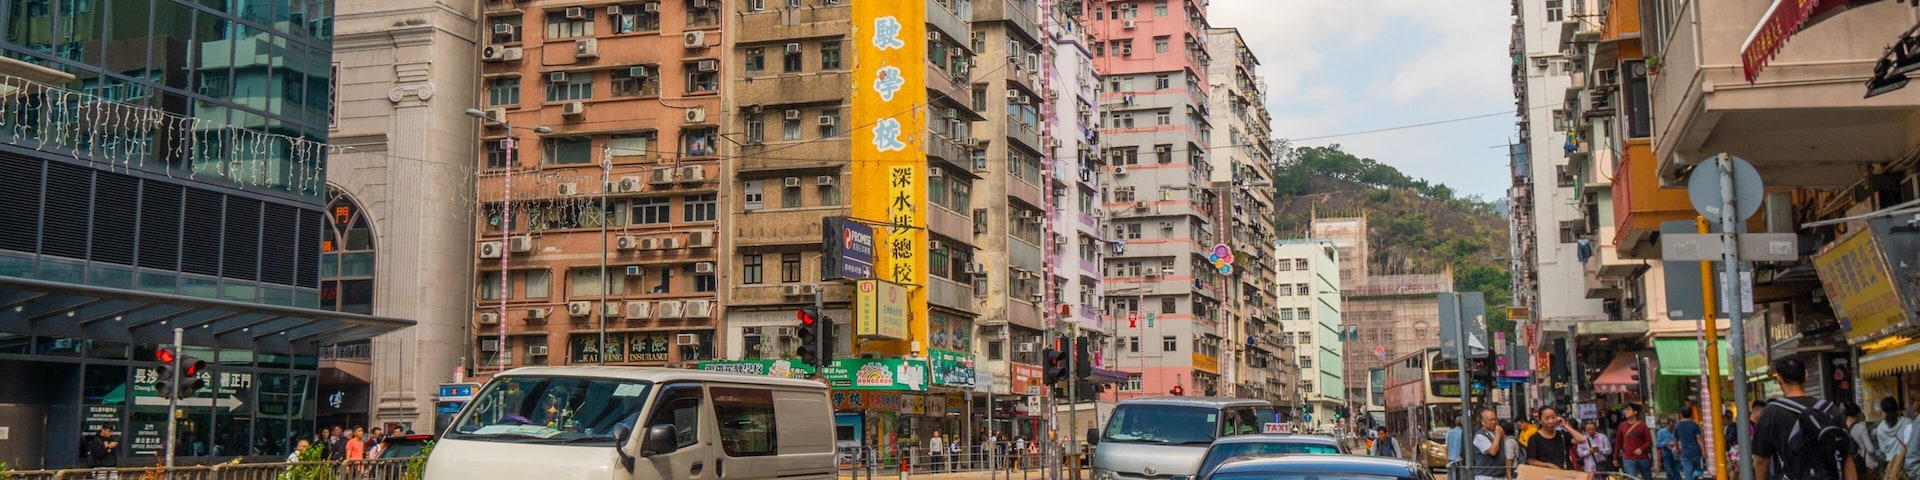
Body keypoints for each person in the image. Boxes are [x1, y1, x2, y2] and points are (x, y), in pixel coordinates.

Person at [1753, 357, 1857, 480]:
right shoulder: (1829, 409)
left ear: (1779, 380)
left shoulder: (1772, 412)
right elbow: (1847, 458)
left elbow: (1761, 460)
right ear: (1806, 376)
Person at [1525, 406, 1587, 471]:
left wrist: (1565, 425)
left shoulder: (1562, 435)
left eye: (1553, 417)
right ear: (1540, 421)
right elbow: (1532, 461)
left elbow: (1581, 439)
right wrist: (1548, 465)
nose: (1551, 421)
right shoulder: (1534, 439)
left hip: (1566, 474)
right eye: (1547, 418)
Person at [1616, 404, 1654, 480]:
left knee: (1648, 478)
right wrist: (1615, 457)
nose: (1626, 411)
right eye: (1625, 410)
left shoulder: (1642, 426)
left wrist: (1641, 449)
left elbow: (1649, 442)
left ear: (1635, 412)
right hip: (1628, 458)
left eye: (1628, 409)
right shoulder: (1622, 426)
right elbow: (1618, 442)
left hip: (1642, 458)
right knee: (1631, 478)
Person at [1876, 398, 1911, 478]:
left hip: (1891, 464)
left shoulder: (1880, 428)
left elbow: (1882, 450)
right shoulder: (1908, 422)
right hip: (1906, 462)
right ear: (1897, 408)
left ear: (1883, 410)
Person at [1470, 409, 1508, 480]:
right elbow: (1493, 451)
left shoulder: (1497, 433)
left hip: (1500, 475)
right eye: (1490, 420)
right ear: (1483, 422)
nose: (1494, 422)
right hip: (1486, 475)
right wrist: (1498, 435)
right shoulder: (1480, 436)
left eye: (1495, 420)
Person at [1847, 403, 1880, 480]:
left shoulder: (1842, 428)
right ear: (1858, 414)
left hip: (1852, 467)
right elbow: (1870, 449)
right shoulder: (1860, 428)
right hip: (1866, 465)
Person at [1676, 408, 1706, 480]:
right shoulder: (1695, 424)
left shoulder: (1678, 425)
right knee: (1698, 472)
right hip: (1696, 452)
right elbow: (1699, 438)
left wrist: (1678, 449)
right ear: (1691, 415)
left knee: (1688, 473)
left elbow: (1676, 439)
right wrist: (1703, 450)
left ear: (1681, 415)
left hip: (1685, 453)